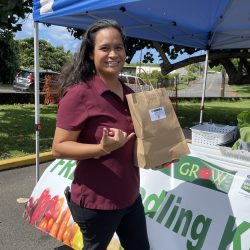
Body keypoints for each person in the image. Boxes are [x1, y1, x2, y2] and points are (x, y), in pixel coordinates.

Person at [52, 19, 150, 250]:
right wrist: (101, 148)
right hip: (97, 203)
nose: (113, 54)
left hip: (130, 197)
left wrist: (161, 151)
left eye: (118, 47)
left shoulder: (130, 93)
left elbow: (135, 142)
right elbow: (58, 147)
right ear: (90, 54)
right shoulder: (79, 94)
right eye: (104, 48)